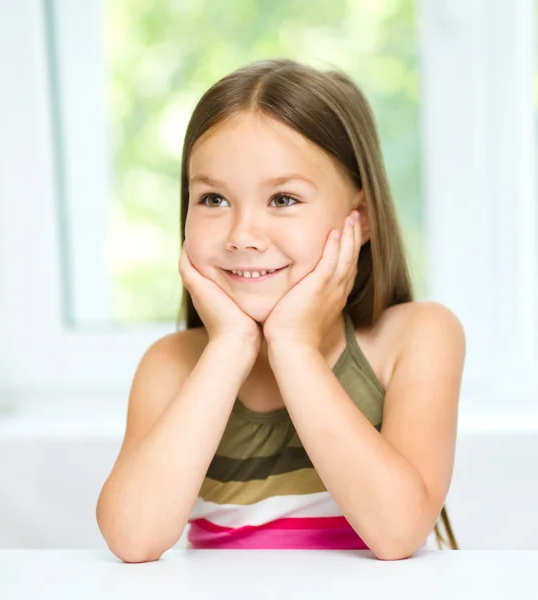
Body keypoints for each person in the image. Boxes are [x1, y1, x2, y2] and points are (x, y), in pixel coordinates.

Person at [96, 58, 465, 563]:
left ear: (360, 219)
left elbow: (397, 533)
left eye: (284, 198)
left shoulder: (415, 337)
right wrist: (230, 346)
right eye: (213, 199)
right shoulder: (172, 365)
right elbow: (133, 540)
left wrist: (294, 346)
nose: (243, 235)